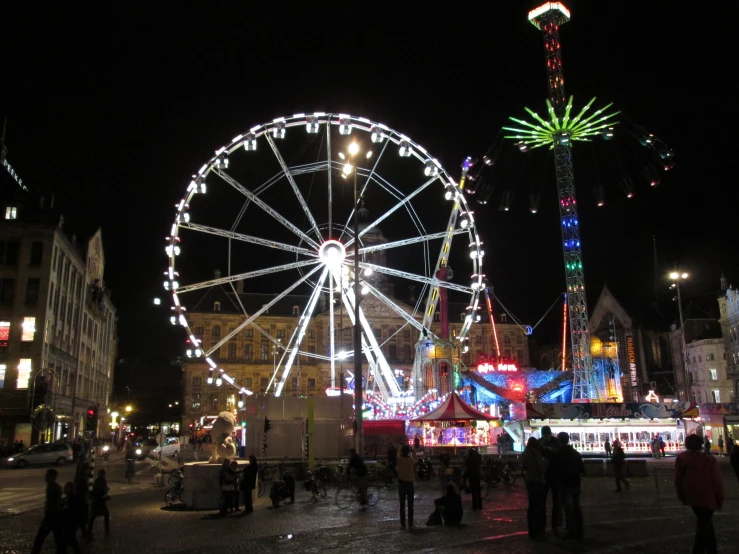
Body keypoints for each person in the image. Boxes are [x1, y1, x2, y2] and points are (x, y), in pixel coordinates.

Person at [675, 434, 724, 554]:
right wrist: (720, 498)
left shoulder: (682, 458)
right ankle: (698, 550)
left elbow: (678, 479)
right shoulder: (709, 459)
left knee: (706, 522)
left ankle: (712, 549)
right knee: (704, 524)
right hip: (708, 495)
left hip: (691, 495)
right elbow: (717, 480)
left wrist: (681, 495)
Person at [557, 432, 585, 542]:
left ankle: (571, 531)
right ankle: (580, 532)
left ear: (559, 440)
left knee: (568, 510)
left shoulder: (559, 454)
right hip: (576, 483)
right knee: (577, 508)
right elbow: (582, 470)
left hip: (565, 484)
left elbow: (556, 470)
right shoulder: (575, 453)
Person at [31, 469, 64, 554]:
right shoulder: (51, 486)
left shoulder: (55, 487)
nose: (45, 476)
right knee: (58, 537)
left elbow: (53, 504)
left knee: (40, 538)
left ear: (52, 477)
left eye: (47, 475)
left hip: (52, 517)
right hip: (53, 517)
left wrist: (47, 518)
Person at [520, 437, 547, 541]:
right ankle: (539, 531)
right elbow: (541, 469)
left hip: (529, 481)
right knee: (539, 506)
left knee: (531, 506)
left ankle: (531, 531)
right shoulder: (536, 454)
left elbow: (523, 467)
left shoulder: (525, 454)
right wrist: (545, 464)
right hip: (538, 481)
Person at [539, 426, 562, 536]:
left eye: (547, 434)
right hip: (544, 475)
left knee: (556, 501)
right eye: (544, 435)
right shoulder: (540, 442)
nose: (546, 437)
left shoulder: (555, 442)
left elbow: (557, 453)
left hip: (554, 474)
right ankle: (542, 525)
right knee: (542, 501)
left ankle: (555, 525)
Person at [396, 445, 418, 529]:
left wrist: (399, 449)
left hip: (401, 484)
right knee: (410, 505)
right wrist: (413, 451)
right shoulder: (410, 460)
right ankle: (411, 523)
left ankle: (402, 524)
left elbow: (397, 454)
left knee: (402, 505)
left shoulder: (399, 459)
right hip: (410, 485)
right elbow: (416, 459)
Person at [60, 482, 82, 554]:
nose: (64, 488)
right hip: (70, 524)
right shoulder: (68, 498)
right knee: (68, 541)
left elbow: (70, 510)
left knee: (69, 540)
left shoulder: (71, 498)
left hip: (70, 524)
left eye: (65, 487)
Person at [88, 469, 110, 538]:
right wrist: (107, 492)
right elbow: (103, 491)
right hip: (100, 502)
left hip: (95, 501)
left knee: (93, 517)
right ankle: (107, 529)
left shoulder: (97, 480)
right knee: (106, 515)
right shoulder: (102, 480)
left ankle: (89, 531)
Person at [73, 462, 90, 539]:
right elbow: (82, 491)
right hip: (81, 501)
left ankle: (85, 534)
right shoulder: (82, 479)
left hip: (80, 501)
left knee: (79, 521)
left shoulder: (80, 477)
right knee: (80, 520)